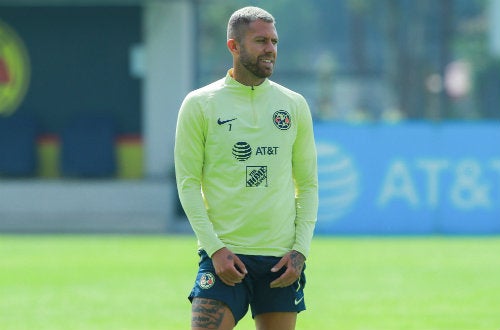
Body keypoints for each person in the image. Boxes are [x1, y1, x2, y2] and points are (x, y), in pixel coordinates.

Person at [174, 6, 318, 330]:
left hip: (280, 262)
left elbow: (307, 185)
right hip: (224, 257)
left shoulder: (293, 105)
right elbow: (187, 184)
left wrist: (300, 252)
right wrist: (215, 249)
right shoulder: (200, 104)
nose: (271, 49)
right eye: (260, 41)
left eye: (274, 41)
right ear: (234, 47)